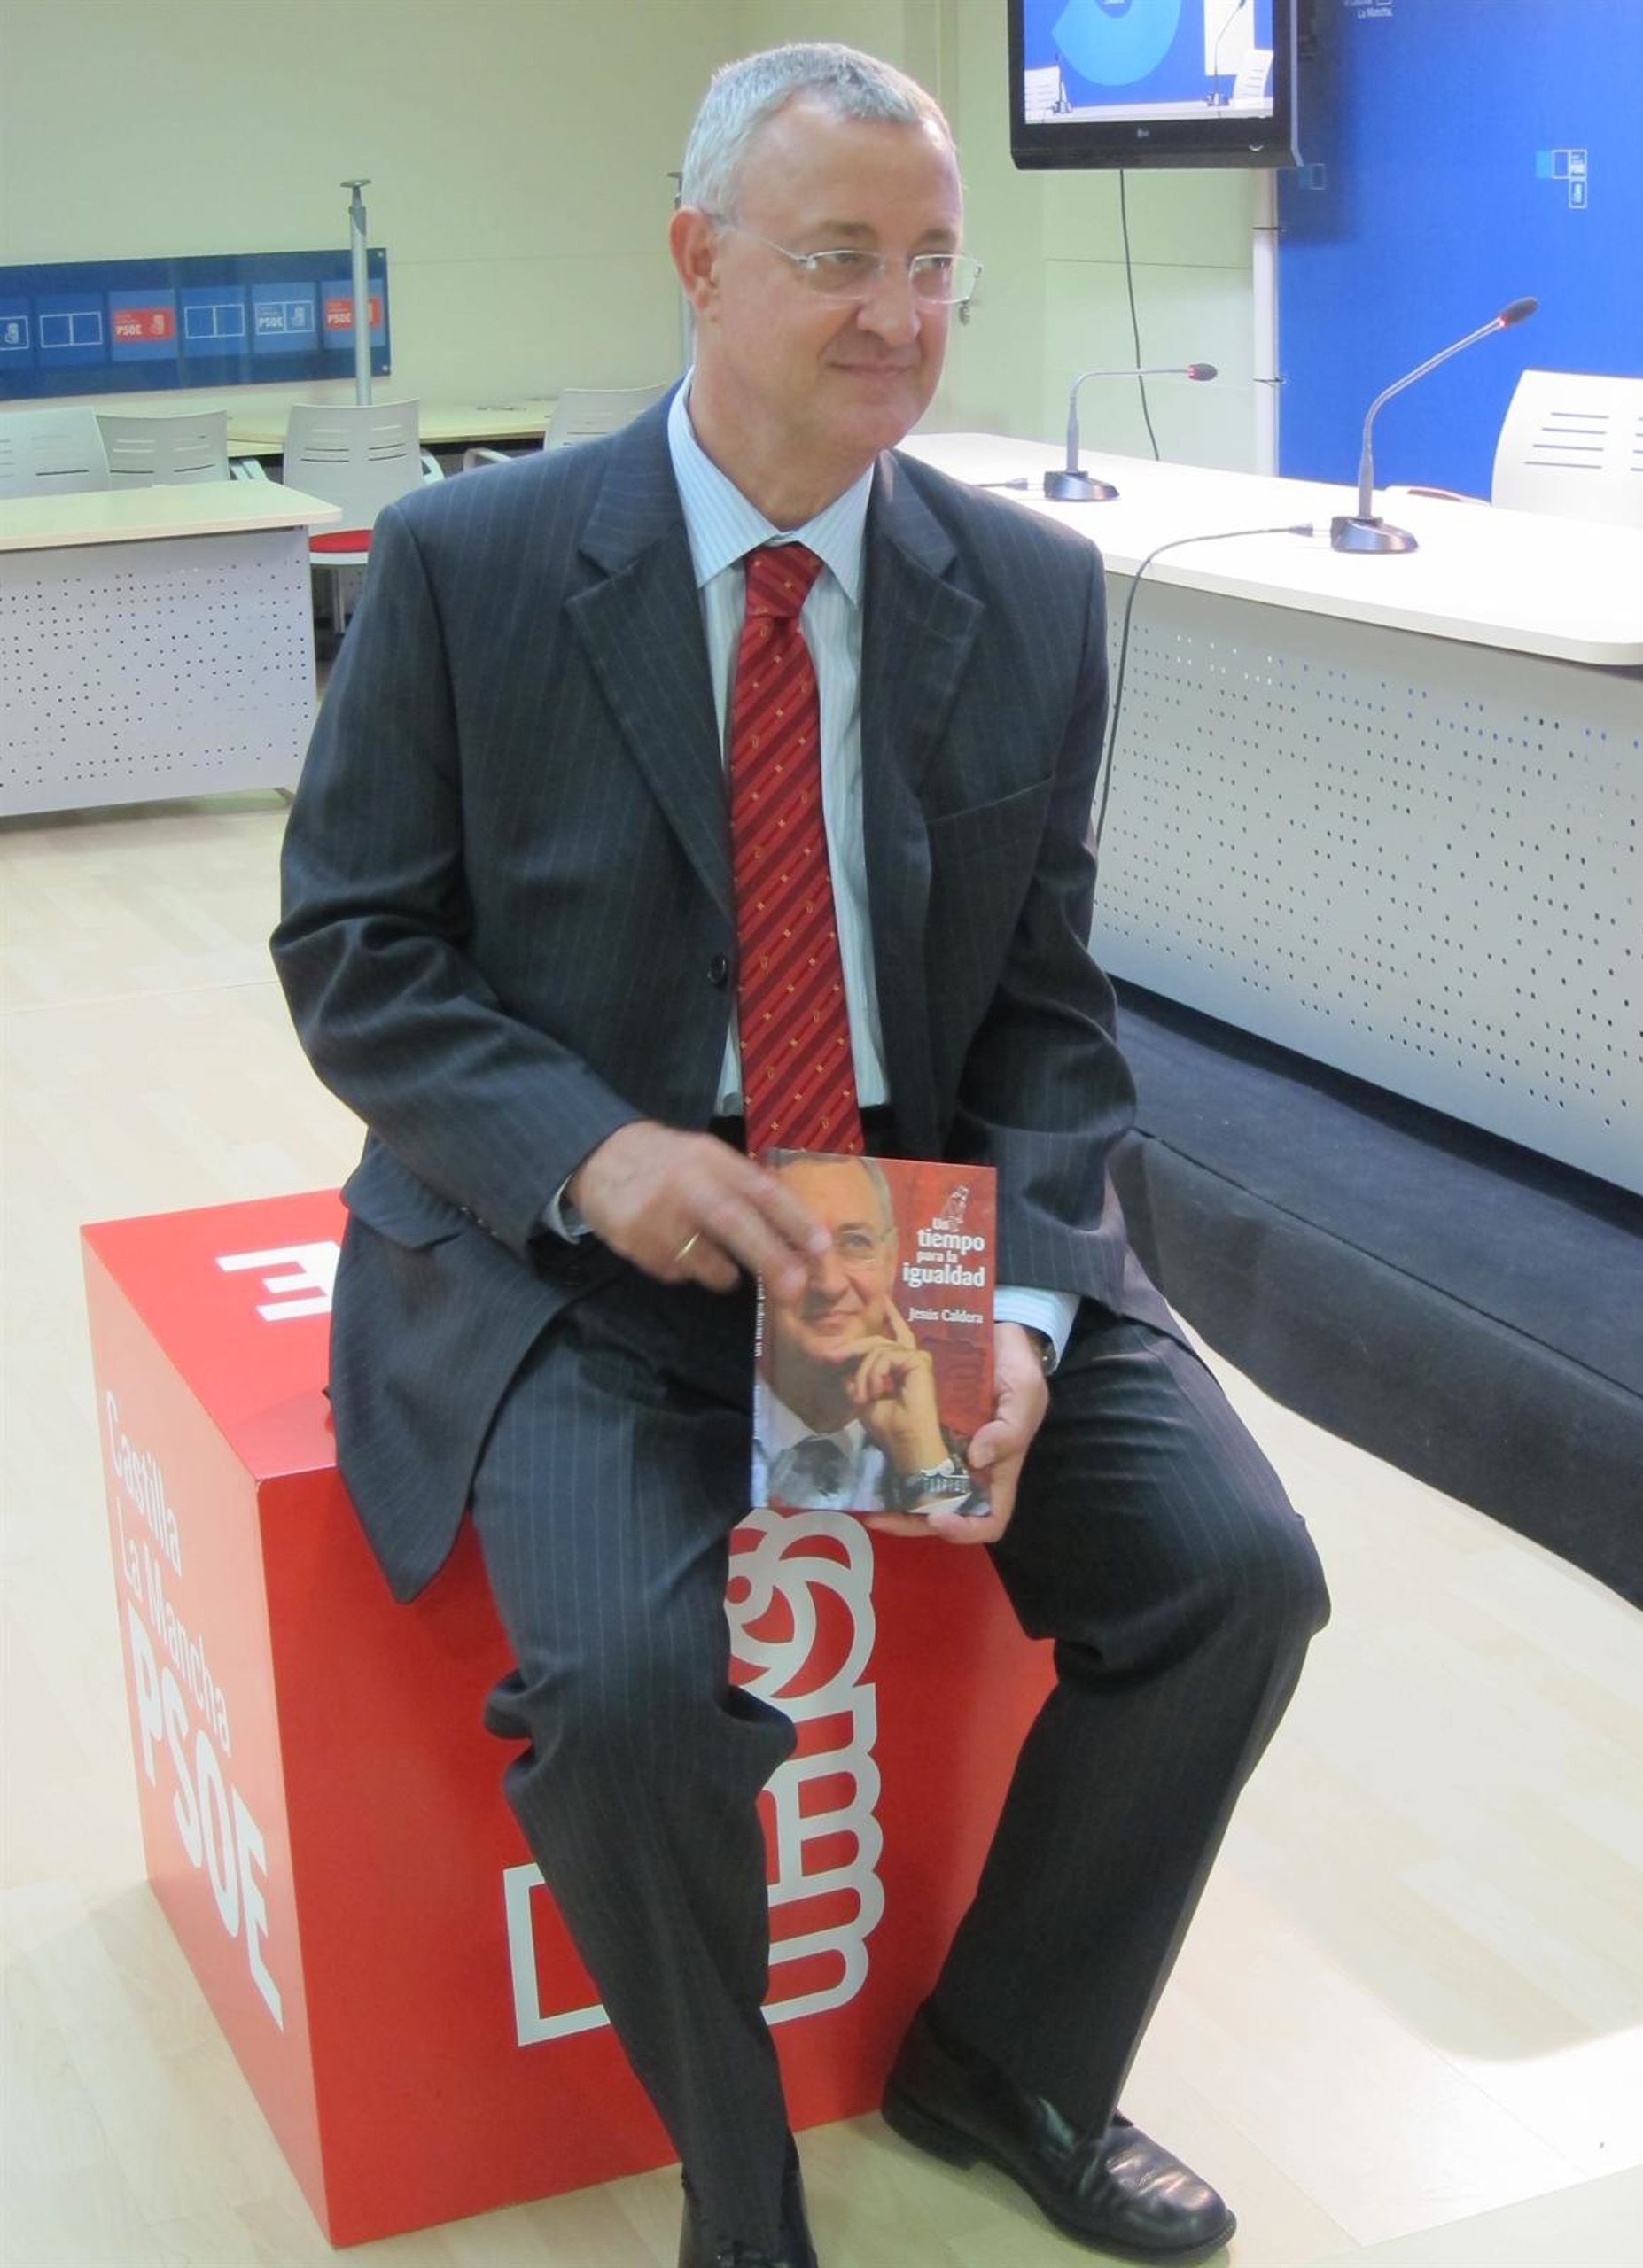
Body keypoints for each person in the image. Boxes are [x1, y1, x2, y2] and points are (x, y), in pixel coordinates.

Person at [272, 40, 1328, 2268]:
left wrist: (1023, 1305)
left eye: (933, 264)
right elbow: (353, 948)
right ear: (698, 258)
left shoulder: (1023, 590)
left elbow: (1045, 1002)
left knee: (1233, 1575)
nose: (898, 314)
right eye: (841, 256)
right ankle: (744, 2200)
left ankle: (1009, 2059)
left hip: (905, 1216)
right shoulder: (472, 565)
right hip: (580, 1247)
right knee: (628, 1699)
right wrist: (595, 1150)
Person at [755, 1153, 982, 1518]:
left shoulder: (936, 1446)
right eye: (792, 1246)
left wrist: (921, 1459)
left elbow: (961, 1548)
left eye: (856, 1243)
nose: (830, 1284)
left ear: (890, 1261)